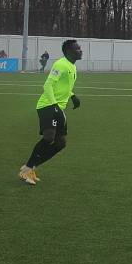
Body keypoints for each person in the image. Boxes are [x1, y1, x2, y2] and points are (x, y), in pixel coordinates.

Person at [18, 40, 83, 185]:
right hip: (47, 105)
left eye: (80, 48)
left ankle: (30, 167)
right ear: (68, 52)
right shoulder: (61, 64)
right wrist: (54, 105)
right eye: (77, 49)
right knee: (49, 137)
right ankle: (26, 170)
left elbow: (62, 85)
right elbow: (48, 85)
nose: (80, 51)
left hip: (58, 108)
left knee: (60, 143)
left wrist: (72, 96)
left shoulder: (72, 66)